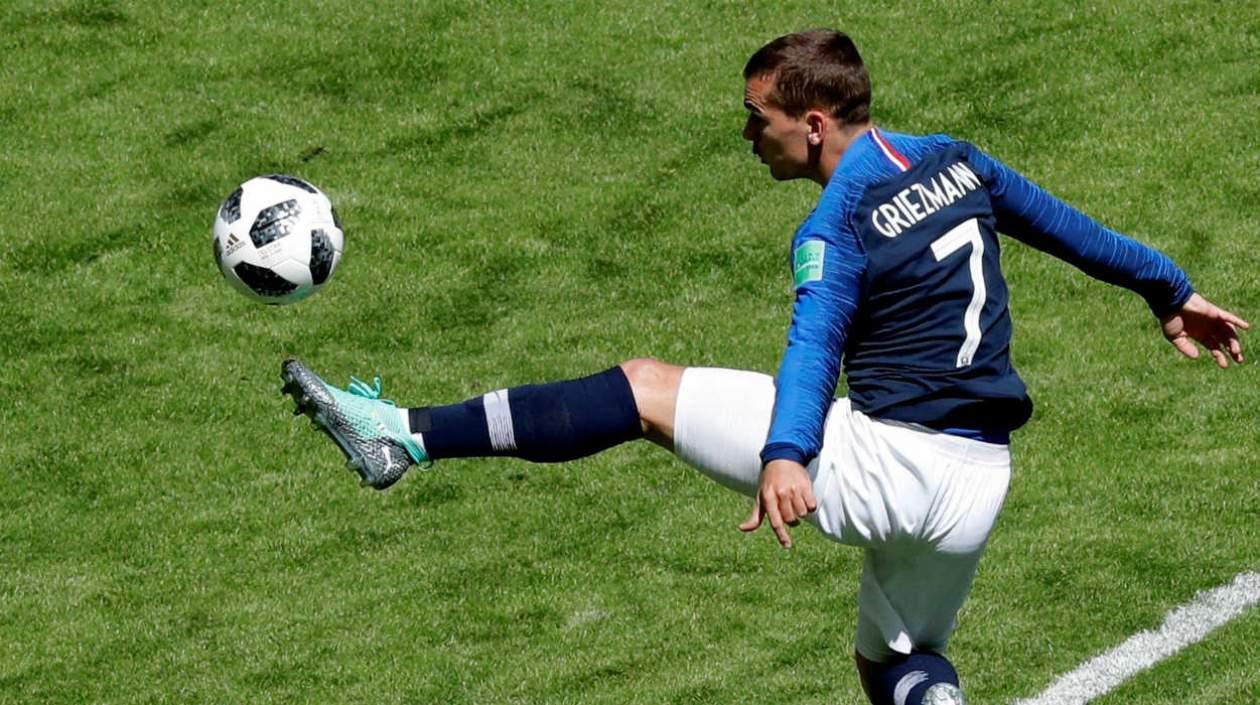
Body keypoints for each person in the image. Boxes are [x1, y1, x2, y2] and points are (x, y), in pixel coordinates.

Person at [280, 29, 1247, 705]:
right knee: (898, 661)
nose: (748, 135)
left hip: (884, 464)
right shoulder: (960, 161)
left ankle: (403, 435)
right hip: (978, 484)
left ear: (815, 119)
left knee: (643, 388)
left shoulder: (833, 224)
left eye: (758, 119)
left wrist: (789, 451)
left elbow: (814, 341)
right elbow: (1072, 229)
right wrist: (1171, 289)